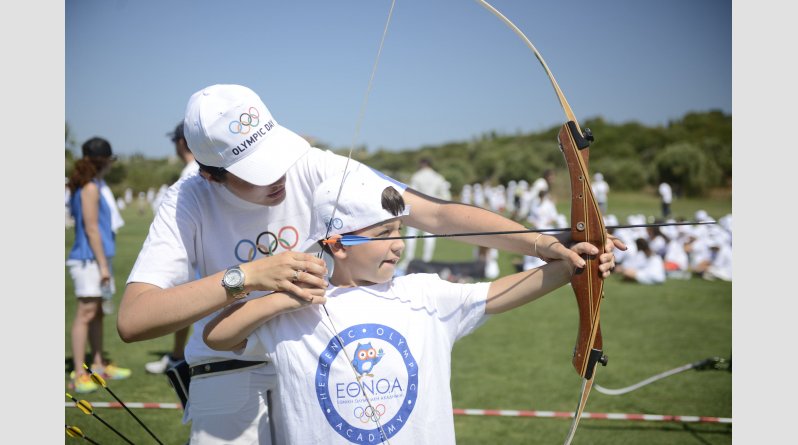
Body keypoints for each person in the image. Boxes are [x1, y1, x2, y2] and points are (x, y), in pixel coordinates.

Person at [117, 84, 623, 444]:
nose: (277, 178)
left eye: (274, 156)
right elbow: (135, 320)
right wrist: (248, 277)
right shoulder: (185, 200)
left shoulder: (311, 165)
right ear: (210, 174)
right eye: (254, 172)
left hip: (320, 362)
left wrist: (545, 245)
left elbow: (436, 213)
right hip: (230, 374)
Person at [202, 168, 618, 444]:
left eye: (400, 230)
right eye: (384, 233)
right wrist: (279, 299)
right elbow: (217, 336)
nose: (399, 244)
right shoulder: (296, 309)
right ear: (337, 244)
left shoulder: (423, 294)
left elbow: (497, 293)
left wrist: (575, 266)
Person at [66, 137, 131, 393]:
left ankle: (97, 364)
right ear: (104, 161)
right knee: (85, 314)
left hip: (96, 258)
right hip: (88, 260)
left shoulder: (91, 185)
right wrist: (103, 266)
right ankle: (80, 372)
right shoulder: (90, 188)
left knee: (98, 313)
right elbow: (92, 229)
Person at [144, 122, 201, 375]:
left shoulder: (191, 172)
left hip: (193, 255)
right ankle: (179, 355)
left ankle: (184, 357)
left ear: (181, 143)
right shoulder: (197, 169)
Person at [397, 157, 451, 272]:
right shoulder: (438, 177)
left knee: (411, 235)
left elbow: (411, 194)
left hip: (417, 209)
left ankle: (409, 259)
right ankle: (427, 260)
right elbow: (446, 196)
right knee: (430, 236)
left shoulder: (417, 176)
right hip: (432, 209)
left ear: (422, 164)